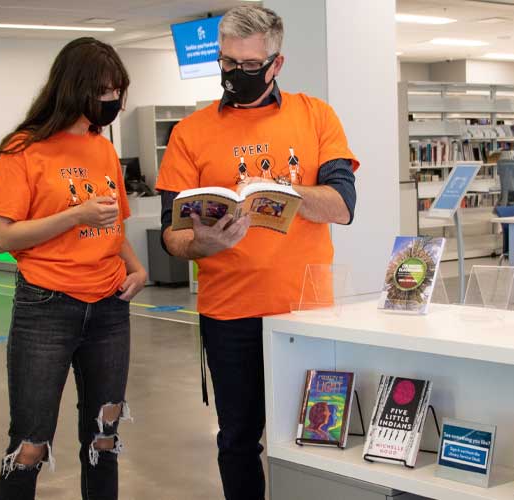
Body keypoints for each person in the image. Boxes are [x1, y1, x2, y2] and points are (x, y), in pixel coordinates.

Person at [155, 6, 359, 500]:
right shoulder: (190, 132)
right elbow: (170, 233)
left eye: (250, 66)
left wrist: (282, 191)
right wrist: (202, 241)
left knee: (315, 436)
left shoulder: (316, 116)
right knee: (239, 441)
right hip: (230, 314)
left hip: (307, 312)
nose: (237, 75)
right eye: (228, 64)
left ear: (277, 64)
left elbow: (343, 204)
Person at [0, 37, 147, 500]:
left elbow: (114, 226)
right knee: (30, 444)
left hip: (110, 307)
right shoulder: (24, 149)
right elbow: (5, 237)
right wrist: (75, 215)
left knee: (103, 439)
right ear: (75, 88)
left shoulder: (102, 148)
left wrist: (137, 268)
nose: (112, 101)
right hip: (47, 307)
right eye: (105, 91)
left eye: (117, 92)